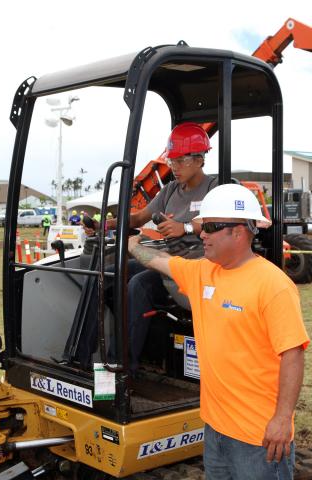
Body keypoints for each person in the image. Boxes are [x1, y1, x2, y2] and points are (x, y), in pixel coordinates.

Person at [128, 183, 310, 480]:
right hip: (215, 431)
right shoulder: (203, 272)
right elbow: (161, 262)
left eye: (210, 227)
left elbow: (292, 354)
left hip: (258, 437)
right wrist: (133, 245)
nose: (201, 235)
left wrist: (281, 420)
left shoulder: (273, 285)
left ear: (238, 231)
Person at [85, 122, 217, 371]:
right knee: (103, 275)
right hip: (166, 261)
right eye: (171, 160)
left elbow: (221, 220)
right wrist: (106, 224)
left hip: (195, 268)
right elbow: (138, 218)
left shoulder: (216, 187)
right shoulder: (169, 191)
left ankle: (122, 368)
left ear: (199, 160)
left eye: (180, 161)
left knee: (138, 284)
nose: (173, 167)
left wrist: (185, 227)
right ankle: (85, 357)